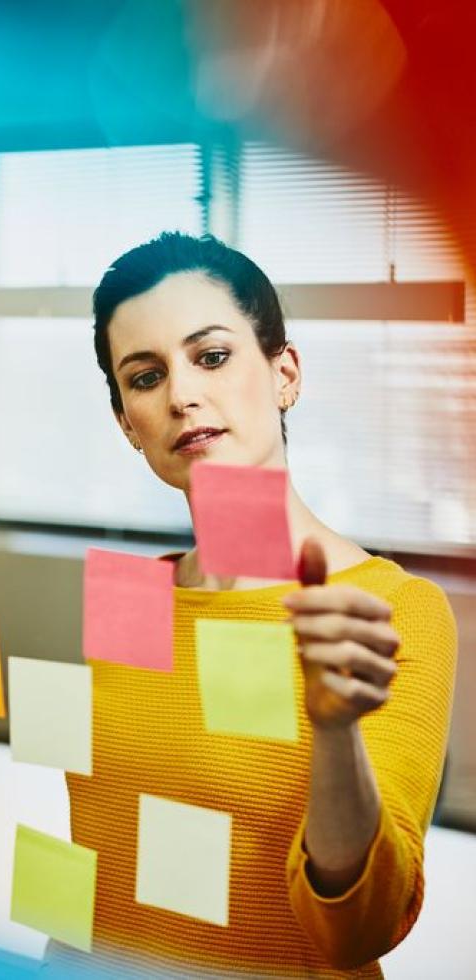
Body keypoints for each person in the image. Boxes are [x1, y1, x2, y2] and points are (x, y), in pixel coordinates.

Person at [52, 232, 456, 977]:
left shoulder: (394, 607)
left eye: (210, 357)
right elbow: (98, 866)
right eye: (144, 377)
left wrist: (335, 733)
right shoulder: (129, 597)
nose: (181, 395)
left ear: (284, 373)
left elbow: (357, 928)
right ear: (125, 424)